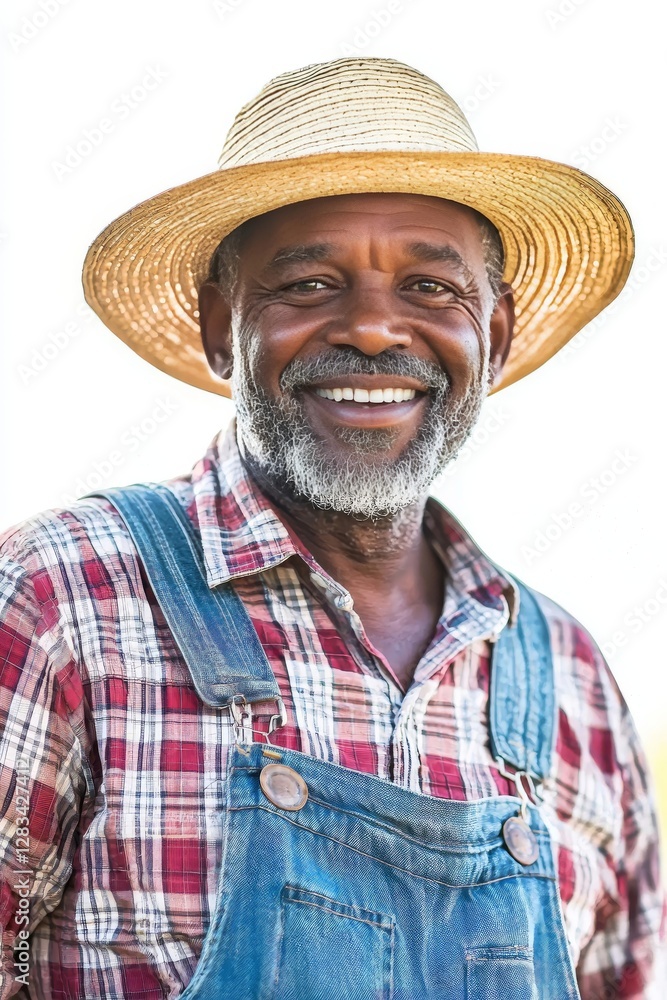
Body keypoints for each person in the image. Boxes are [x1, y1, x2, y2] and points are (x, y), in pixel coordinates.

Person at [0, 56, 664, 999]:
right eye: (309, 283)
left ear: (498, 334)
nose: (372, 331)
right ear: (219, 323)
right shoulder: (59, 597)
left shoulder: (574, 683)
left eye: (432, 289)